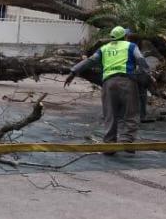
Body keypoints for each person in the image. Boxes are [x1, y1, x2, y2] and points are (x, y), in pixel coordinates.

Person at [64, 25, 150, 154]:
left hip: (108, 83)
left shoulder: (104, 48)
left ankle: (109, 145)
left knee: (110, 113)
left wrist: (73, 72)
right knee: (131, 112)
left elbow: (90, 61)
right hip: (127, 82)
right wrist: (147, 74)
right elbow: (140, 60)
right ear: (125, 36)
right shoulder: (131, 46)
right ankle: (126, 141)